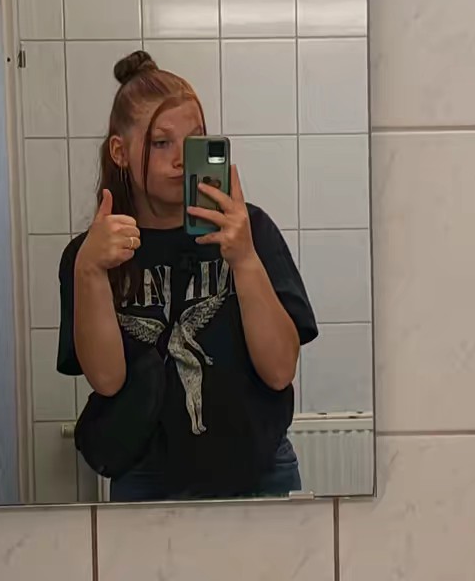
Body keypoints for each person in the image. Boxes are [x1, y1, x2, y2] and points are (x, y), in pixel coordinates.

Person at [57, 50, 318, 501]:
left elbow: (280, 371)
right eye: (161, 143)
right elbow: (107, 380)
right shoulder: (93, 255)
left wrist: (245, 259)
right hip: (147, 476)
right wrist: (89, 271)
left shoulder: (251, 232)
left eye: (194, 141)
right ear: (120, 151)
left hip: (260, 468)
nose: (181, 159)